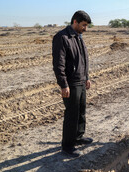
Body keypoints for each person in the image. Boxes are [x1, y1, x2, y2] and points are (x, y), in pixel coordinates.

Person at [52, 10, 92, 157]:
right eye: (83, 25)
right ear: (75, 22)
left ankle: (78, 137)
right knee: (72, 114)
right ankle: (68, 146)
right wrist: (64, 84)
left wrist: (86, 77)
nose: (85, 29)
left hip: (81, 80)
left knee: (81, 111)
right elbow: (58, 64)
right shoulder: (62, 37)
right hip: (71, 83)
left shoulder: (78, 37)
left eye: (86, 26)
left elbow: (83, 59)